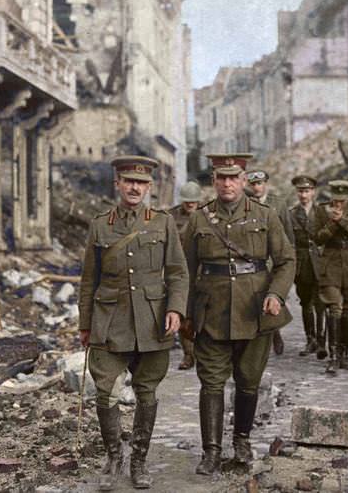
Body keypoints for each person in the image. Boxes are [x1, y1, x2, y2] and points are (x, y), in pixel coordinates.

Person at [78, 155, 189, 489]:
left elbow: (178, 272)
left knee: (147, 392)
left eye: (141, 183)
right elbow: (88, 280)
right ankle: (114, 457)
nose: (134, 188)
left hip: (153, 321)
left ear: (149, 187)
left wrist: (176, 309)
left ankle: (139, 460)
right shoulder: (101, 224)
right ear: (118, 184)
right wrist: (85, 325)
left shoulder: (163, 222)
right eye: (129, 182)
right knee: (105, 392)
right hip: (109, 322)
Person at [181, 153, 295, 475]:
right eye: (221, 177)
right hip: (211, 311)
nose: (227, 183)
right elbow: (184, 269)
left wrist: (275, 293)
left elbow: (286, 260)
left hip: (254, 310)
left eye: (234, 177)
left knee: (248, 381)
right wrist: (185, 314)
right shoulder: (199, 220)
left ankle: (242, 441)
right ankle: (211, 451)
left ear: (245, 181)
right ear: (213, 181)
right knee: (211, 382)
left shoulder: (266, 215)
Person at [310, 179, 348, 375]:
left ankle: (344, 354)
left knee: (347, 309)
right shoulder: (321, 210)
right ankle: (333, 356)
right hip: (331, 262)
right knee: (333, 308)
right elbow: (317, 238)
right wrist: (332, 224)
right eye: (336, 200)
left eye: (342, 201)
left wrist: (343, 220)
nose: (338, 204)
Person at [245, 169, 295, 356]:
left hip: (275, 259)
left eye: (260, 184)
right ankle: (269, 333)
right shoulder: (246, 204)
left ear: (266, 184)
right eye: (253, 184)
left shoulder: (278, 204)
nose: (257, 188)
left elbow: (288, 236)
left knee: (275, 294)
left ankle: (275, 331)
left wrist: (288, 260)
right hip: (256, 259)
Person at [289, 175, 327, 358]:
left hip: (320, 262)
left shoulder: (322, 213)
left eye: (306, 191)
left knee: (321, 303)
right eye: (300, 191)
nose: (303, 195)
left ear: (313, 192)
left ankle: (321, 342)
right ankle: (310, 339)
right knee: (306, 302)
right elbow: (289, 241)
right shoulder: (292, 214)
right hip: (302, 263)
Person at [169, 180, 204, 369]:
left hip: (204, 271)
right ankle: (188, 354)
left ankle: (205, 353)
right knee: (182, 314)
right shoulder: (171, 217)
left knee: (205, 314)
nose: (190, 205)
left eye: (194, 202)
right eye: (187, 202)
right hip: (181, 272)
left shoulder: (208, 214)